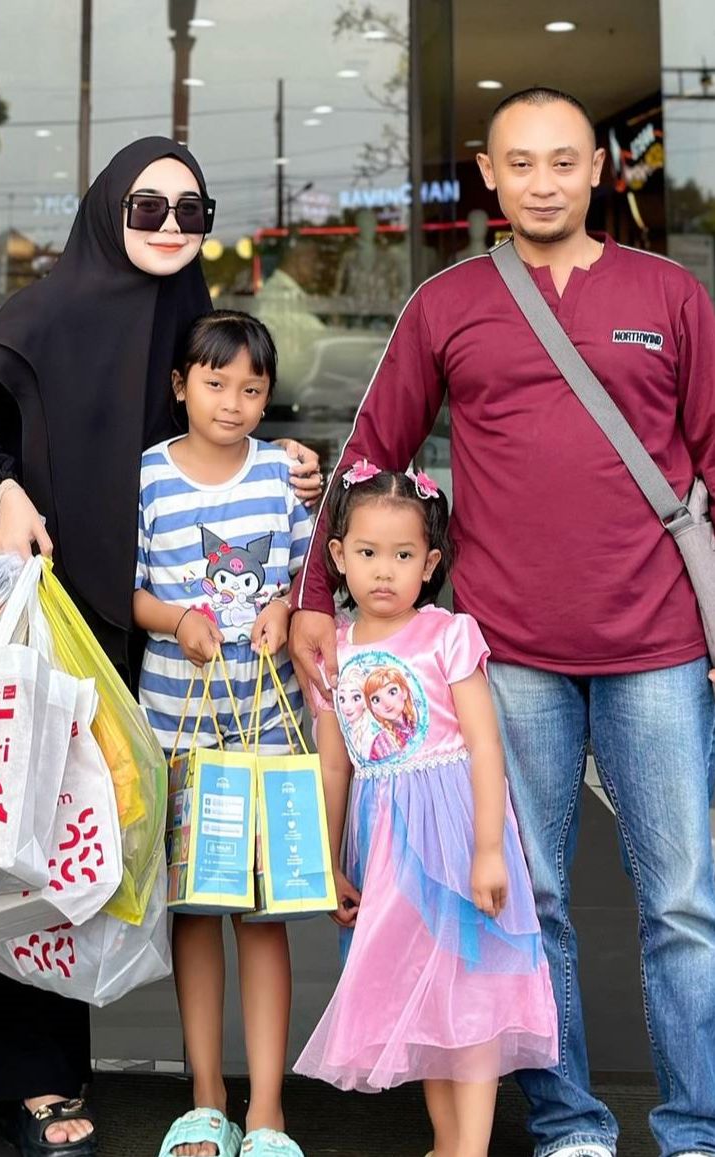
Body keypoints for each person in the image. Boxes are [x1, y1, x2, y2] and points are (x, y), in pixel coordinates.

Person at [0, 137, 323, 1157]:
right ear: (106, 209)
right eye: (147, 206)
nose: (171, 227)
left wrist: (290, 462)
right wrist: (3, 488)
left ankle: (36, 1072)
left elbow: (219, 446)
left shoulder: (193, 330)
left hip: (100, 630)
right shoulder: (45, 310)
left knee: (52, 839)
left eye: (191, 209)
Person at [286, 86, 715, 1157]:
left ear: (597, 173)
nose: (541, 181)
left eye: (562, 161)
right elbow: (371, 455)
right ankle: (569, 1120)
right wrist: (313, 593)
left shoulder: (669, 295)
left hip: (657, 640)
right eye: (519, 162)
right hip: (502, 647)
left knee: (682, 905)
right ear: (488, 174)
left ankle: (694, 1126)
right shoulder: (447, 302)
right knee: (532, 900)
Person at [293, 462, 557, 1157]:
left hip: (455, 832)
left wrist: (490, 847)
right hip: (380, 847)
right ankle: (447, 1141)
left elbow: (484, 743)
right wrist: (327, 860)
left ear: (430, 561)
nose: (385, 570)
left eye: (404, 554)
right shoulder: (333, 651)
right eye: (369, 552)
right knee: (421, 998)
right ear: (339, 557)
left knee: (468, 995)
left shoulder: (448, 633)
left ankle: (468, 1147)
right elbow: (334, 763)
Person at [128, 311, 313, 1157]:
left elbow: (313, 577)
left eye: (251, 388)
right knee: (196, 912)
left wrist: (281, 604)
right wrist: (175, 619)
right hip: (181, 736)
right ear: (179, 386)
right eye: (214, 383)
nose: (233, 402)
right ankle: (207, 1099)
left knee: (264, 916)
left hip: (273, 734)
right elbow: (123, 587)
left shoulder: (283, 476)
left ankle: (268, 1108)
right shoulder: (149, 480)